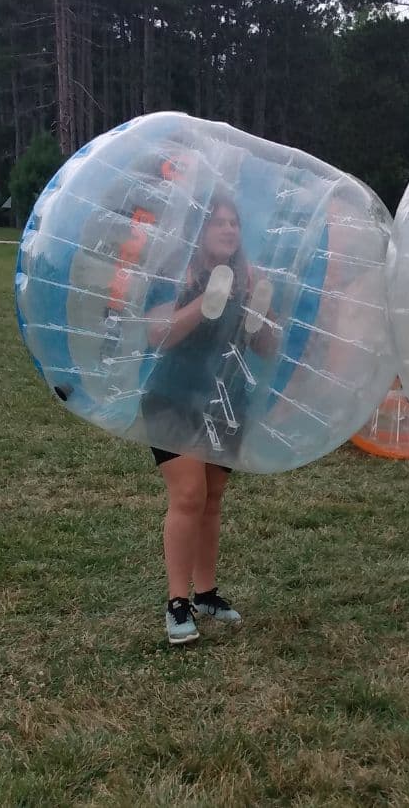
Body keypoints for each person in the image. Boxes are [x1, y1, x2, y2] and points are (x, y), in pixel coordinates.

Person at [141, 197, 276, 646]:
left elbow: (267, 350)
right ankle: (176, 602)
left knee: (213, 498)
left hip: (225, 400)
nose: (229, 229)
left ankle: (205, 593)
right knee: (189, 494)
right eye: (218, 222)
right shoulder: (173, 274)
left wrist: (259, 318)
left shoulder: (251, 280)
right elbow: (157, 335)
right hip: (172, 397)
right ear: (199, 231)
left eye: (235, 222)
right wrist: (206, 300)